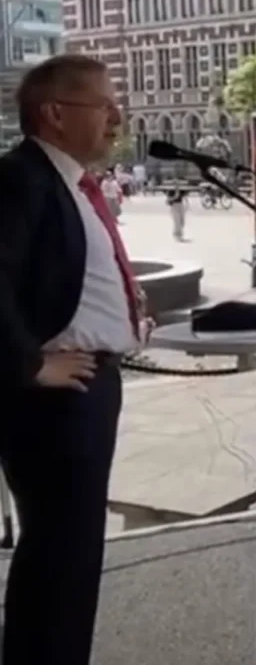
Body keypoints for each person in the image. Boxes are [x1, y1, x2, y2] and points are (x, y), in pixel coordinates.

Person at [0, 54, 153, 665]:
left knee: (73, 556)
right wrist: (27, 365)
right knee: (59, 561)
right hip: (54, 398)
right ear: (54, 114)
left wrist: (127, 315)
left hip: (88, 388)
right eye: (104, 106)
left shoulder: (69, 182)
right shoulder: (21, 179)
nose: (117, 116)